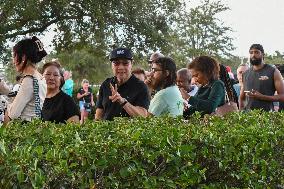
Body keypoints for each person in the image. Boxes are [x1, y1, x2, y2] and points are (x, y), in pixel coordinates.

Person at [95, 47, 150, 120]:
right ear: (111, 65)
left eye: (125, 63)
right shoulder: (106, 84)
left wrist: (123, 102)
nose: (120, 67)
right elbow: (98, 115)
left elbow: (143, 116)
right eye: (116, 63)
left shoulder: (141, 86)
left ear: (131, 64)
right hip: (106, 130)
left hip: (130, 131)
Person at [4, 36, 47, 124]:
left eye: (14, 56)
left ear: (23, 57)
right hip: (33, 127)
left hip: (24, 130)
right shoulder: (40, 77)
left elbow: (13, 114)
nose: (13, 61)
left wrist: (6, 105)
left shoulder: (29, 79)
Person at [239, 44, 284, 111]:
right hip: (249, 117)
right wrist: (241, 111)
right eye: (251, 52)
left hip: (266, 117)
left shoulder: (273, 71)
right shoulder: (245, 74)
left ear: (263, 54)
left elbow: (282, 96)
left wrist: (262, 97)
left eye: (256, 52)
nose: (253, 55)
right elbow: (242, 97)